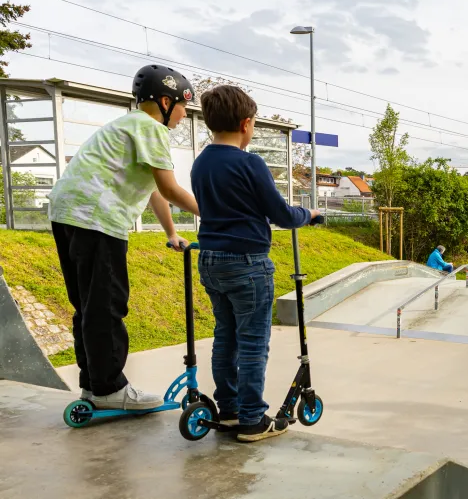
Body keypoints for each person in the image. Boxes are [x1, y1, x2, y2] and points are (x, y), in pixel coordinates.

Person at [49, 64, 200, 411]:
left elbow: (153, 192)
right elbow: (171, 188)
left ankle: (93, 386)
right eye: (183, 107)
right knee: (106, 304)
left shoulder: (125, 125)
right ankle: (110, 388)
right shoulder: (150, 128)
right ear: (165, 101)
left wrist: (171, 232)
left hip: (67, 214)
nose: (182, 116)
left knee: (87, 304)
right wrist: (217, 214)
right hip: (97, 218)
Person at [191, 85, 320, 441]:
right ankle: (252, 419)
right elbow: (280, 213)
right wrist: (308, 213)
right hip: (247, 263)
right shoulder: (250, 163)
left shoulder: (201, 162)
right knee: (251, 342)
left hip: (211, 260)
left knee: (225, 337)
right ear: (247, 123)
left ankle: (230, 409)